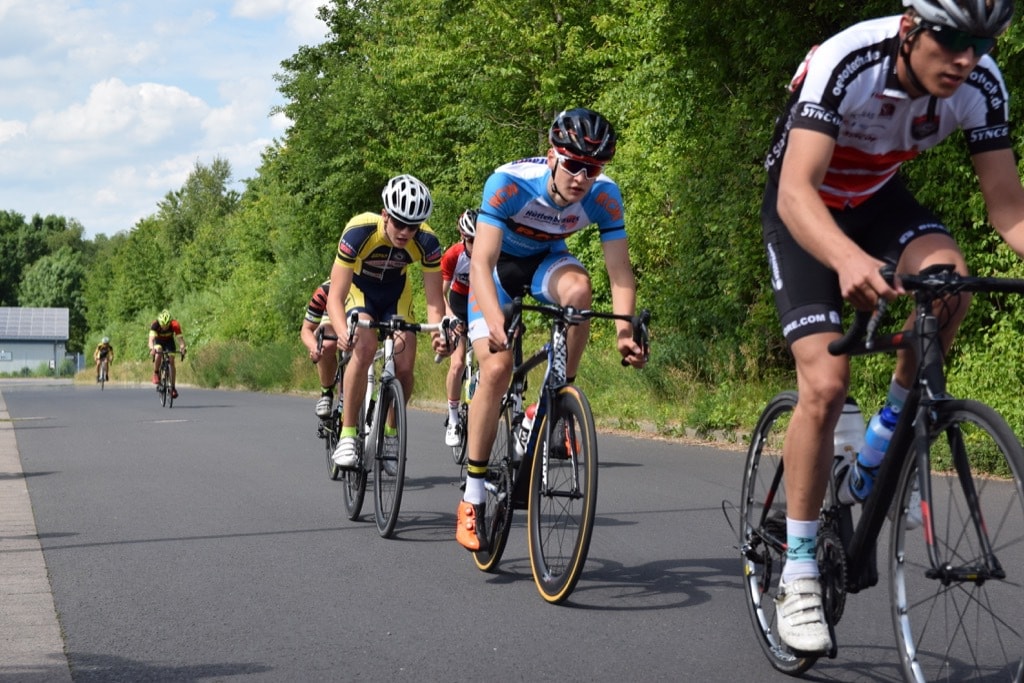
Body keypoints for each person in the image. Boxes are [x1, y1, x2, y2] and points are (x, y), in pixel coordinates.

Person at [760, 0, 1024, 654]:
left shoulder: (981, 83)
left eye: (982, 43)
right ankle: (798, 571)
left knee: (949, 285)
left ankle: (879, 448)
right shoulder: (849, 59)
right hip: (804, 206)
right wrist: (846, 258)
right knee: (826, 383)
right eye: (952, 38)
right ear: (910, 28)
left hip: (878, 201)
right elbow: (795, 190)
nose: (966, 58)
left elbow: (1008, 207)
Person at [456, 107, 647, 551]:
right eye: (573, 164)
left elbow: (620, 273)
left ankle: (556, 402)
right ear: (551, 157)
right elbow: (480, 263)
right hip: (497, 273)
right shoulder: (508, 183)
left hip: (547, 262)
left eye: (592, 168)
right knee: (497, 369)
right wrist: (495, 318)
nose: (581, 177)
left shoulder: (605, 196)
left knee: (580, 291)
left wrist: (624, 332)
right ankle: (472, 495)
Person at [324, 174, 451, 470]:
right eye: (399, 223)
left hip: (396, 295)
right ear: (385, 215)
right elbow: (335, 296)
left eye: (413, 226)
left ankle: (390, 433)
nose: (405, 231)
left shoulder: (427, 242)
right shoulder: (359, 231)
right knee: (364, 348)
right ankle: (348, 433)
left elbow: (435, 301)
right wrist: (342, 331)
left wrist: (439, 333)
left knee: (405, 365)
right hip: (360, 292)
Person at [441, 208, 478, 447]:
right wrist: (451, 318)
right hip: (458, 303)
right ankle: (453, 418)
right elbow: (441, 294)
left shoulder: (493, 252)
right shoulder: (453, 255)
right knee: (456, 364)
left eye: (480, 240)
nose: (476, 246)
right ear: (463, 238)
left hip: (480, 302)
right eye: (471, 241)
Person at [299, 279, 341, 418]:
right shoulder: (325, 290)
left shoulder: (370, 285)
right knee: (327, 344)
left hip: (361, 314)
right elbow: (306, 328)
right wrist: (314, 347)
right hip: (332, 318)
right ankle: (326, 392)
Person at [149, 309, 186, 399]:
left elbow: (180, 340)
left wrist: (182, 348)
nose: (165, 327)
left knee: (171, 361)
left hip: (169, 342)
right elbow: (151, 340)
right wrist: (152, 349)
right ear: (160, 323)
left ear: (170, 323)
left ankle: (172, 388)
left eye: (167, 326)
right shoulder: (155, 325)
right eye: (163, 326)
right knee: (159, 352)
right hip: (158, 341)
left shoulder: (175, 325)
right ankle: (156, 373)